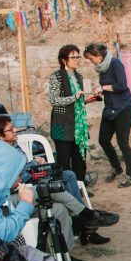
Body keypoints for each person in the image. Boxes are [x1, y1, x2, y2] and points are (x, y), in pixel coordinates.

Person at [0, 115, 117, 243]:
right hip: (23, 190)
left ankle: (84, 222)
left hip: (33, 181)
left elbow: (24, 170)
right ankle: (86, 220)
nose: (15, 130)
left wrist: (36, 165)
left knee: (69, 175)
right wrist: (34, 164)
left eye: (13, 127)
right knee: (56, 189)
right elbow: (18, 180)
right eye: (10, 129)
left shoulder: (13, 144)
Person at [84, 42, 131, 188]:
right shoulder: (102, 68)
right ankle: (117, 167)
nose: (90, 61)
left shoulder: (115, 63)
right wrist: (99, 94)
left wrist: (103, 87)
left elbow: (122, 85)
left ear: (98, 55)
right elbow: (107, 89)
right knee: (103, 139)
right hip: (110, 108)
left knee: (122, 142)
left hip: (125, 108)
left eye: (90, 58)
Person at [48, 45, 99, 187]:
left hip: (78, 126)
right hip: (63, 125)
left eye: (78, 57)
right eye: (73, 57)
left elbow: (79, 101)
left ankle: (81, 190)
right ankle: (68, 194)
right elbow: (54, 100)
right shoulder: (56, 76)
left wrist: (89, 99)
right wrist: (74, 97)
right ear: (64, 60)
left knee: (80, 162)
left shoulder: (79, 77)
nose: (77, 60)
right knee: (64, 163)